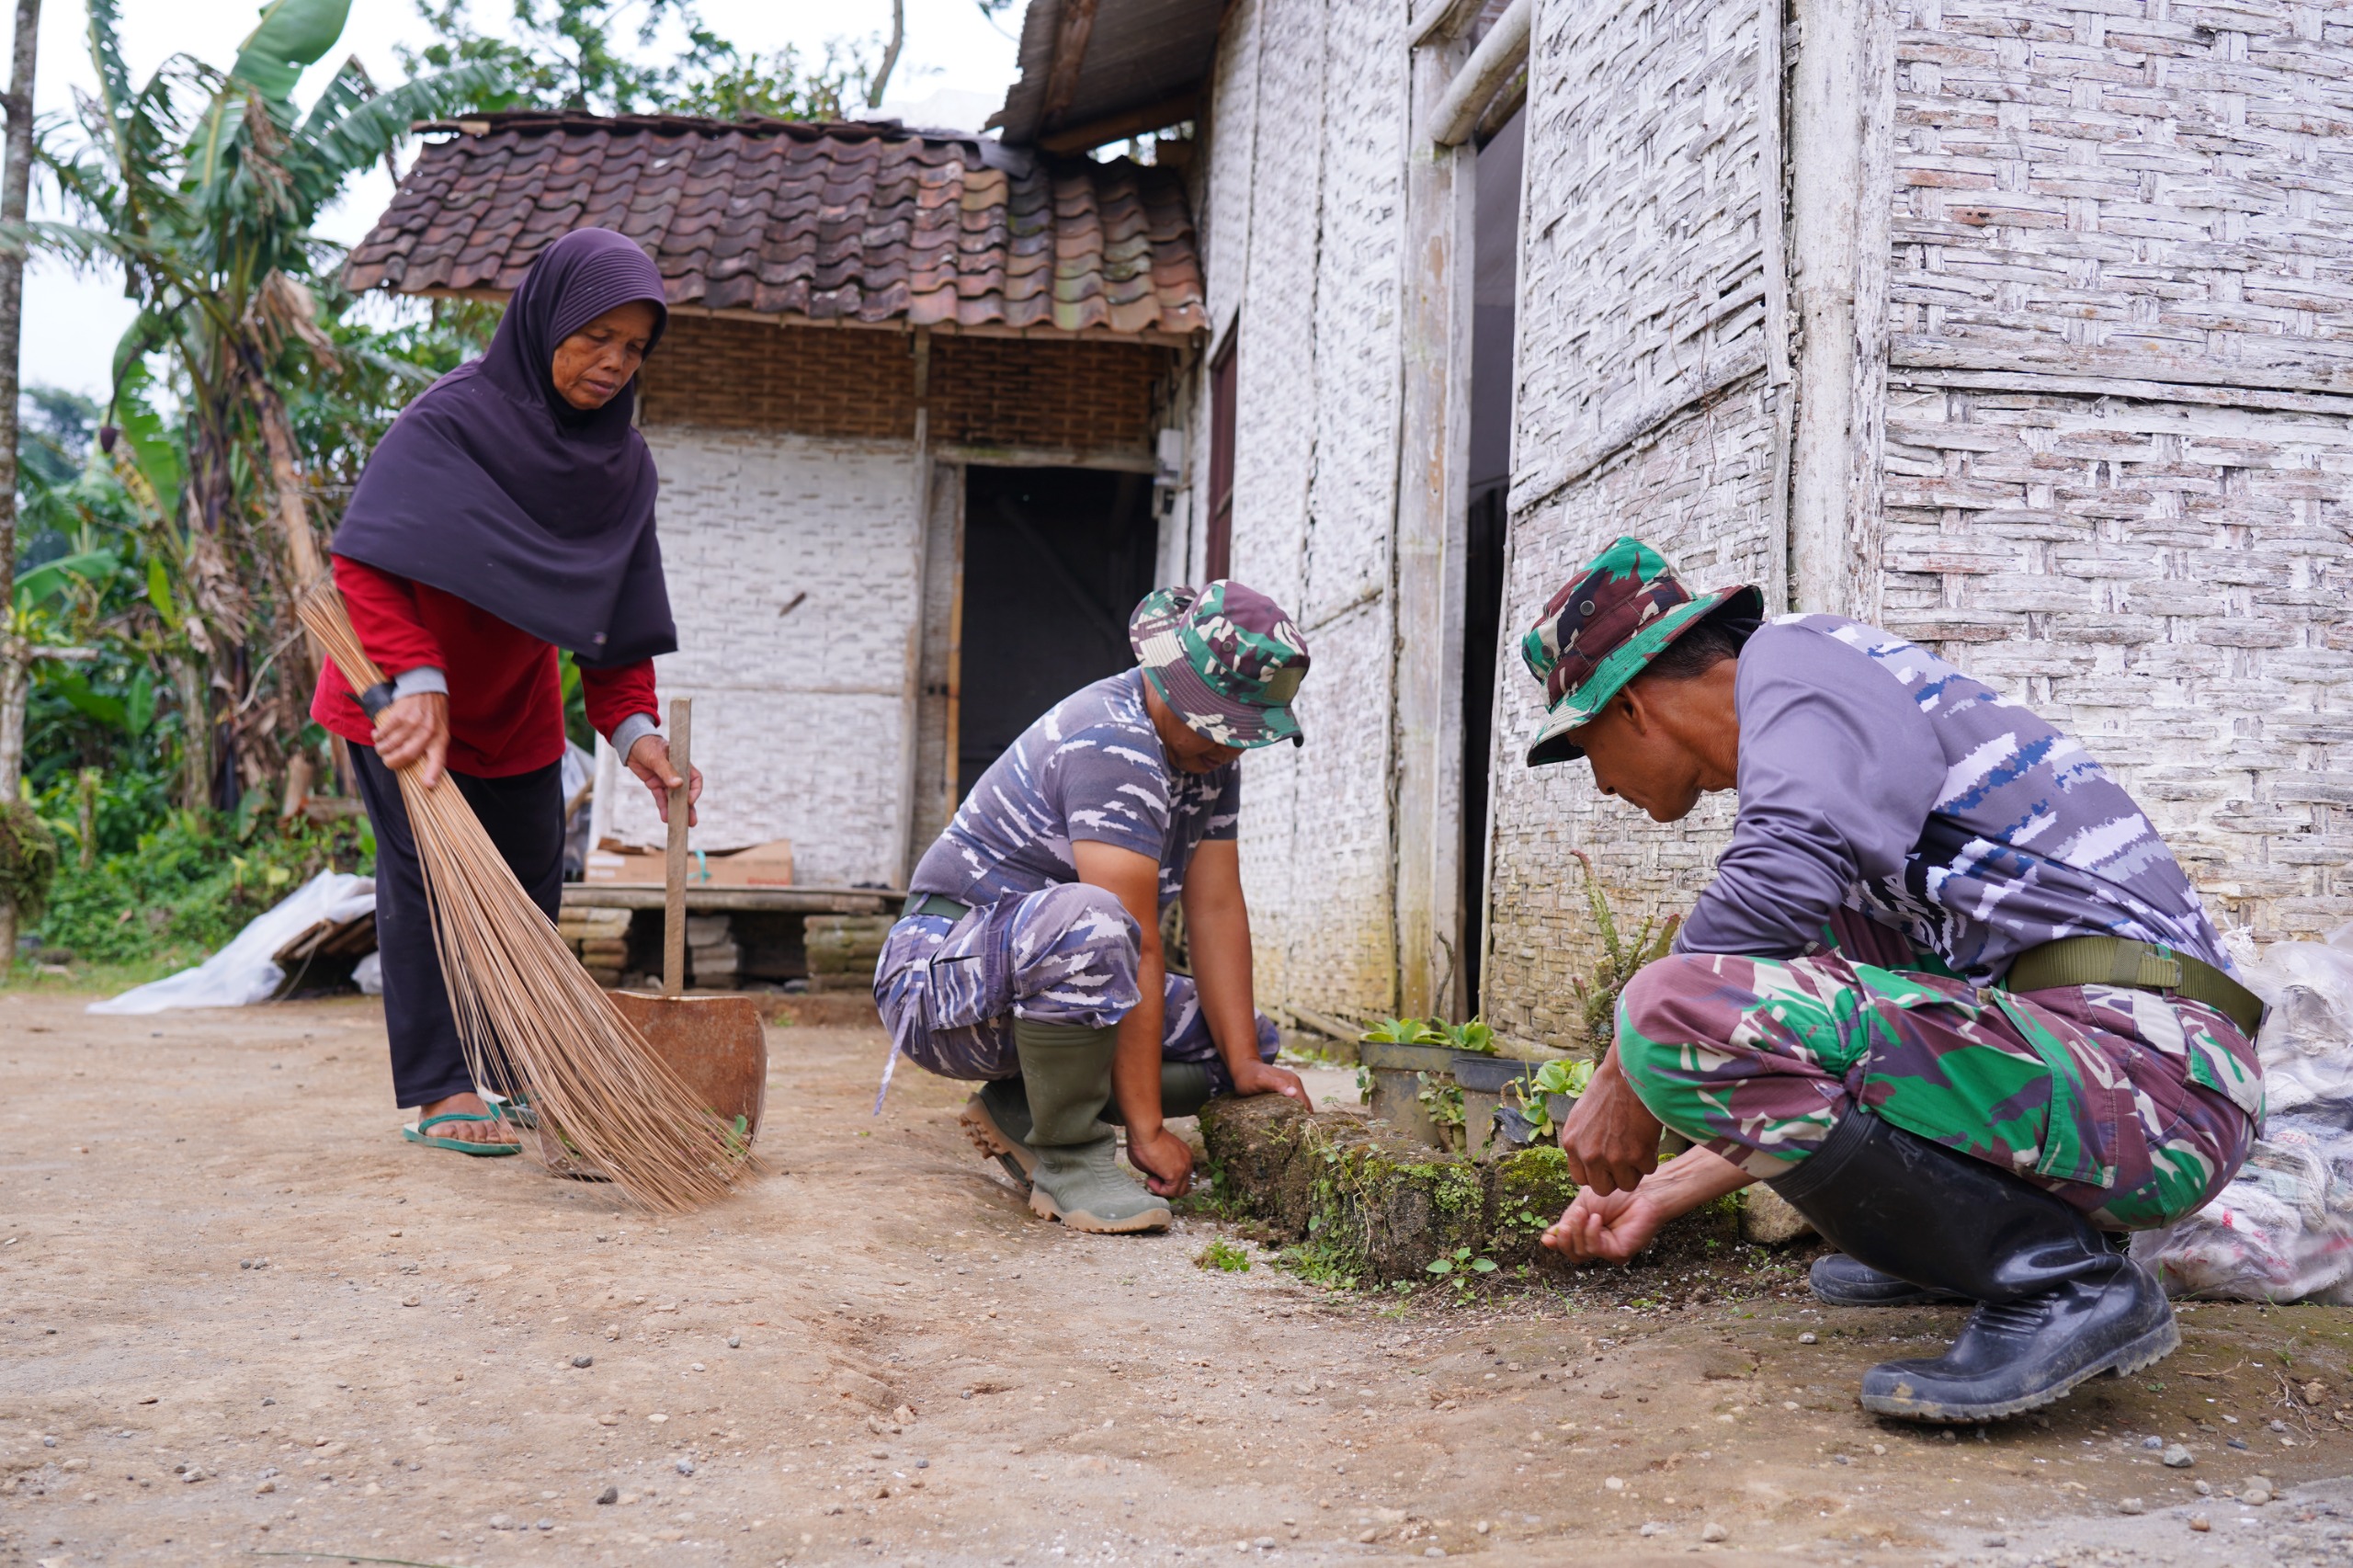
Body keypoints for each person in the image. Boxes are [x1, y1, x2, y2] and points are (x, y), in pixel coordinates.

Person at [1522, 537, 2264, 1422]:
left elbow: (1750, 920)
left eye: (1585, 747)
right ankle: (1977, 1246)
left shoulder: (1798, 664)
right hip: (2125, 1087)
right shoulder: (1854, 803)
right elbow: (1809, 1047)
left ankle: (2059, 1282)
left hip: (2154, 1081)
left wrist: (1623, 1071)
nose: (1600, 787)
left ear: (1634, 706)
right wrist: (1662, 1190)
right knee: (1762, 984)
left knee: (1668, 1003)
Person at [312, 228, 703, 1157]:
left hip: (514, 707)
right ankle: (442, 1087)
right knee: (426, 884)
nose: (613, 361)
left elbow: (610, 611)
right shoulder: (449, 423)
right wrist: (417, 680)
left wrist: (636, 729)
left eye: (634, 346)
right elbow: (363, 562)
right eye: (594, 335)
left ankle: (523, 1065)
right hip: (398, 700)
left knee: (531, 879)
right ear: (544, 323)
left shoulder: (622, 464)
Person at [874, 581, 1317, 1234]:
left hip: (1052, 978)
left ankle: (1024, 1110)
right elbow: (1132, 941)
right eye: (1221, 724)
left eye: (1246, 732)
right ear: (1173, 684)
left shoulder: (1209, 756)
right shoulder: (1112, 741)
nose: (1233, 746)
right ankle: (1073, 1156)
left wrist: (1247, 1060)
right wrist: (1146, 1130)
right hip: (940, 985)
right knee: (1095, 921)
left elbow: (1217, 907)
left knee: (1237, 1043)